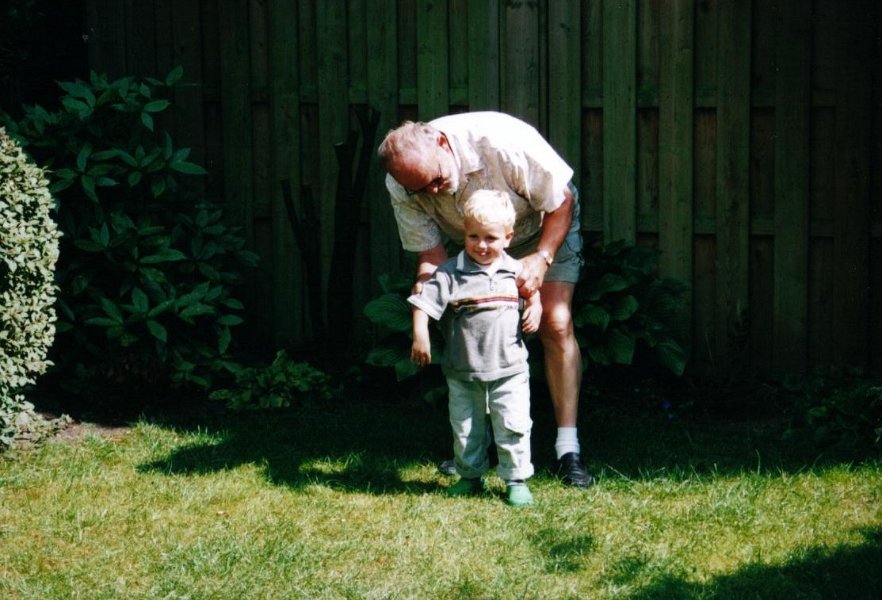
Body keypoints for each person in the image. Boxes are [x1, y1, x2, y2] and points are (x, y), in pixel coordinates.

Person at [378, 111, 593, 488]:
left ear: (442, 146)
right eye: (419, 190)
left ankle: (567, 449)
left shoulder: (502, 142)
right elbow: (431, 258)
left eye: (436, 181)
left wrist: (540, 261)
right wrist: (429, 297)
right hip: (473, 245)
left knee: (555, 323)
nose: (429, 193)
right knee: (470, 329)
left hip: (542, 226)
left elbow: (561, 202)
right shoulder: (403, 182)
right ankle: (478, 450)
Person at [409, 191, 542, 506]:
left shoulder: (516, 271)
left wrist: (534, 306)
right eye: (473, 236)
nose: (482, 245)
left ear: (508, 238)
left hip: (510, 369)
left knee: (513, 424)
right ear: (463, 233)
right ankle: (470, 477)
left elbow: (532, 291)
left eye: (491, 238)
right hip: (463, 369)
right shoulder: (451, 273)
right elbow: (423, 303)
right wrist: (420, 335)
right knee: (466, 427)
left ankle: (516, 480)